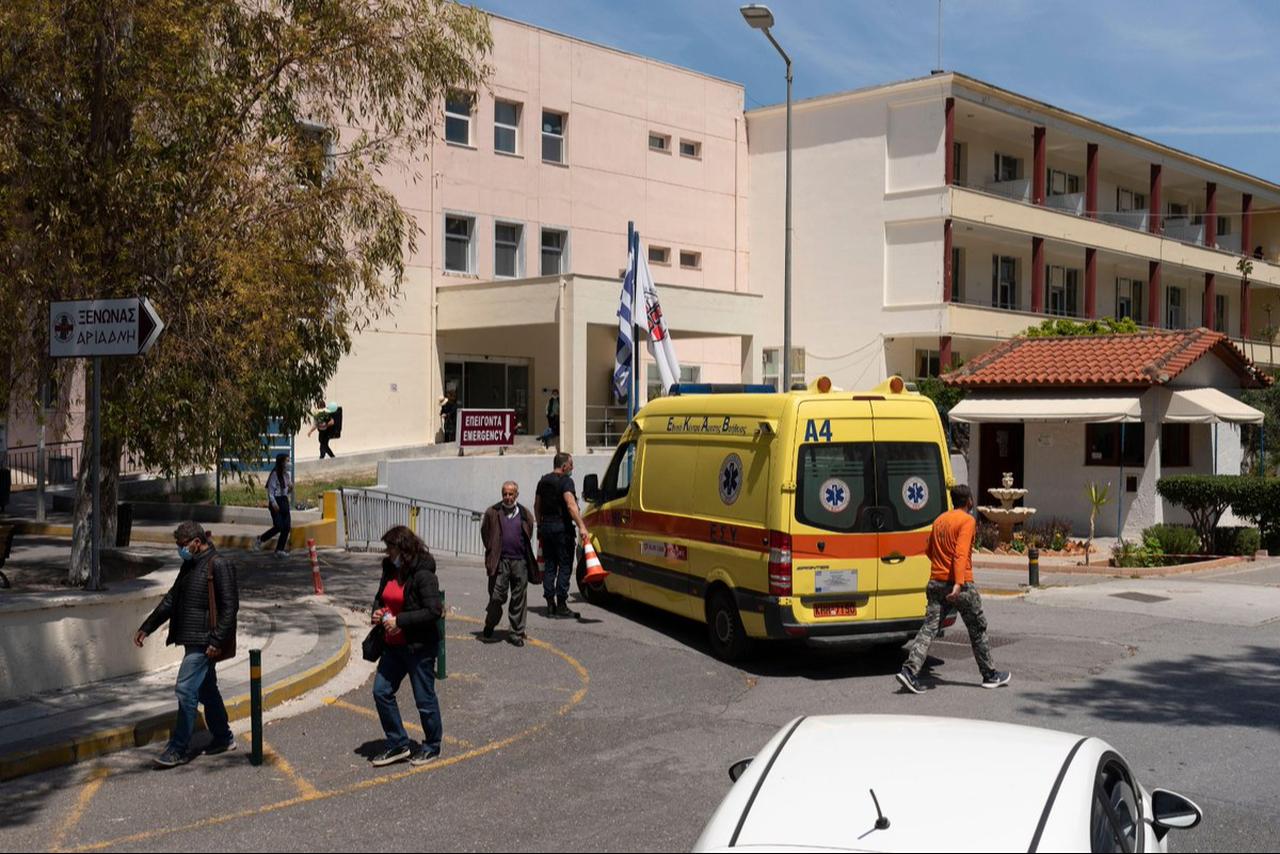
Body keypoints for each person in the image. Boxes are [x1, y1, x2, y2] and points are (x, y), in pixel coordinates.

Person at [134, 521, 239, 767]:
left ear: (196, 542)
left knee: (185, 689)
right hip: (193, 639)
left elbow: (230, 608)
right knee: (206, 690)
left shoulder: (219, 565)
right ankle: (224, 737)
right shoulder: (189, 566)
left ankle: (178, 748)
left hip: (205, 643)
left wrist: (216, 640)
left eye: (182, 545)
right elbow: (172, 600)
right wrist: (147, 627)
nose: (180, 550)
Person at [897, 485, 1010, 694]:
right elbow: (960, 554)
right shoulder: (967, 521)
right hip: (961, 584)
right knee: (977, 628)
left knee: (929, 628)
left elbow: (928, 549)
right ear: (969, 501)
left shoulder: (939, 520)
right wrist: (958, 583)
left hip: (936, 582)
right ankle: (990, 675)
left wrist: (941, 569)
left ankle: (909, 671)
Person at [369, 525, 444, 767]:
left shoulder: (423, 573)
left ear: (404, 549)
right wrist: (377, 612)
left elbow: (434, 611)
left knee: (424, 699)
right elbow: (381, 597)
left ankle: (432, 746)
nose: (388, 553)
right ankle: (398, 742)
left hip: (418, 646)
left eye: (391, 549)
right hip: (393, 646)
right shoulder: (390, 569)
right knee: (381, 691)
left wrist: (400, 621)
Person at [480, 481, 537, 646]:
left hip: (520, 561)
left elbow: (529, 533)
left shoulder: (526, 514)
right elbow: (486, 534)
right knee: (497, 596)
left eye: (511, 494)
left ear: (516, 495)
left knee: (519, 598)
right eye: (505, 494)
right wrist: (492, 550)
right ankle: (490, 624)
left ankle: (516, 633)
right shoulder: (493, 512)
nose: (507, 497)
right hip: (501, 561)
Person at [534, 452, 590, 619]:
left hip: (546, 528)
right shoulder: (566, 481)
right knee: (565, 565)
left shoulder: (543, 481)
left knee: (550, 565)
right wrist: (582, 526)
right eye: (571, 465)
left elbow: (537, 505)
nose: (572, 468)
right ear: (564, 466)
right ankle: (562, 605)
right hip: (562, 529)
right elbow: (571, 505)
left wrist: (540, 525)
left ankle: (550, 604)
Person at [255, 452, 292, 557]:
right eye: (287, 461)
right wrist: (273, 503)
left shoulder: (287, 475)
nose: (289, 463)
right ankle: (260, 539)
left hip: (284, 501)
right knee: (279, 526)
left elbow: (286, 491)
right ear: (281, 462)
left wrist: (290, 489)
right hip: (276, 501)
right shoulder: (275, 474)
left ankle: (279, 550)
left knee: (287, 527)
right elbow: (271, 491)